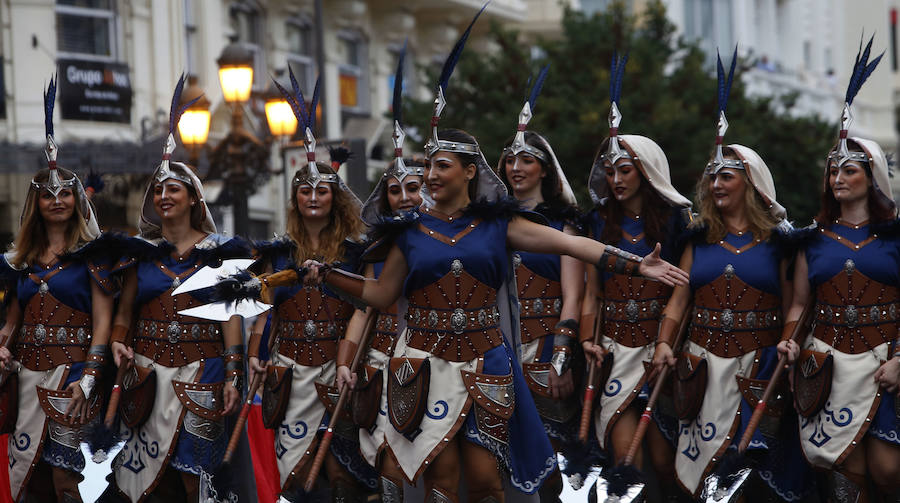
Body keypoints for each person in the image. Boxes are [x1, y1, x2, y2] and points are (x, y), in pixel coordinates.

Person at [301, 14, 688, 499]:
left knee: (486, 478)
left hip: (486, 360)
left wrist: (636, 264)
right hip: (422, 361)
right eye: (429, 167)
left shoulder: (498, 225)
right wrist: (329, 276)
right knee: (438, 476)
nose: (432, 176)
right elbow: (380, 294)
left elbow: (572, 244)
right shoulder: (408, 232)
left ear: (469, 172)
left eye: (442, 166)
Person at [651, 51, 808, 500]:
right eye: (712, 177)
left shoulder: (780, 242)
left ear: (752, 184)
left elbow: (793, 301)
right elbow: (679, 299)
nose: (717, 185)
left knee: (748, 477)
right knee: (702, 475)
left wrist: (790, 340)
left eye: (728, 177)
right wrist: (665, 343)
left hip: (759, 365)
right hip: (701, 365)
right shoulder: (697, 240)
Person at [105, 76, 248, 502]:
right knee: (149, 485)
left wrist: (233, 375)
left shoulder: (220, 253)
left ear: (193, 199)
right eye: (159, 189)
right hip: (148, 377)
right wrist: (117, 344)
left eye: (174, 189)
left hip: (203, 373)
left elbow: (232, 321)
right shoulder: (138, 255)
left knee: (195, 480)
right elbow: (125, 314)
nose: (165, 195)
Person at [777, 38, 900, 500]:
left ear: (871, 178)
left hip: (884, 361)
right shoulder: (812, 239)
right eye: (833, 172)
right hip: (828, 365)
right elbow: (801, 303)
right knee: (845, 477)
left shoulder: (895, 236)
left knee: (888, 471)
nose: (839, 178)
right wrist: (790, 339)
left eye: (849, 170)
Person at [247, 73, 376, 500]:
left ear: (335, 198)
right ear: (295, 199)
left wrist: (349, 359)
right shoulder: (278, 253)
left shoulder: (358, 253)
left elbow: (365, 308)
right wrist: (256, 356)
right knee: (295, 477)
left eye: (323, 189)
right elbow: (265, 310)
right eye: (305, 190)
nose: (314, 196)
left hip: (340, 366)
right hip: (290, 370)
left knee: (343, 474)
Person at [579, 54, 693, 499]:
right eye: (609, 171)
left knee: (667, 463)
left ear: (646, 171)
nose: (615, 179)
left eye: (624, 169)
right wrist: (588, 337)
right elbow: (593, 292)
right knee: (627, 460)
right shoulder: (595, 224)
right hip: (615, 351)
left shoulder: (681, 224)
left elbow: (687, 293)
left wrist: (668, 341)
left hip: (668, 349)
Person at [0, 78, 114, 503]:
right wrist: (3, 348)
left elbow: (103, 324)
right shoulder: (18, 262)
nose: (58, 200)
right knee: (30, 484)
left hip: (72, 379)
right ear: (37, 205)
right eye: (48, 196)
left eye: (66, 193)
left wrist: (89, 379)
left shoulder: (95, 256)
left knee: (67, 483)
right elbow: (12, 321)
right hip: (28, 379)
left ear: (76, 202)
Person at [335, 48, 426, 502]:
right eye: (396, 190)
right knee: (388, 463)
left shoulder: (459, 237)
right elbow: (364, 308)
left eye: (414, 187)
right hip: (383, 359)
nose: (406, 196)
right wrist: (345, 361)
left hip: (443, 357)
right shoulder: (375, 247)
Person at [495, 66, 586, 500]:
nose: (516, 168)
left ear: (545, 169)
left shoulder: (565, 226)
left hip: (544, 352)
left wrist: (561, 359)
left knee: (554, 465)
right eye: (510, 161)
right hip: (498, 352)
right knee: (499, 462)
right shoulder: (489, 227)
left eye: (526, 160)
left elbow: (573, 297)